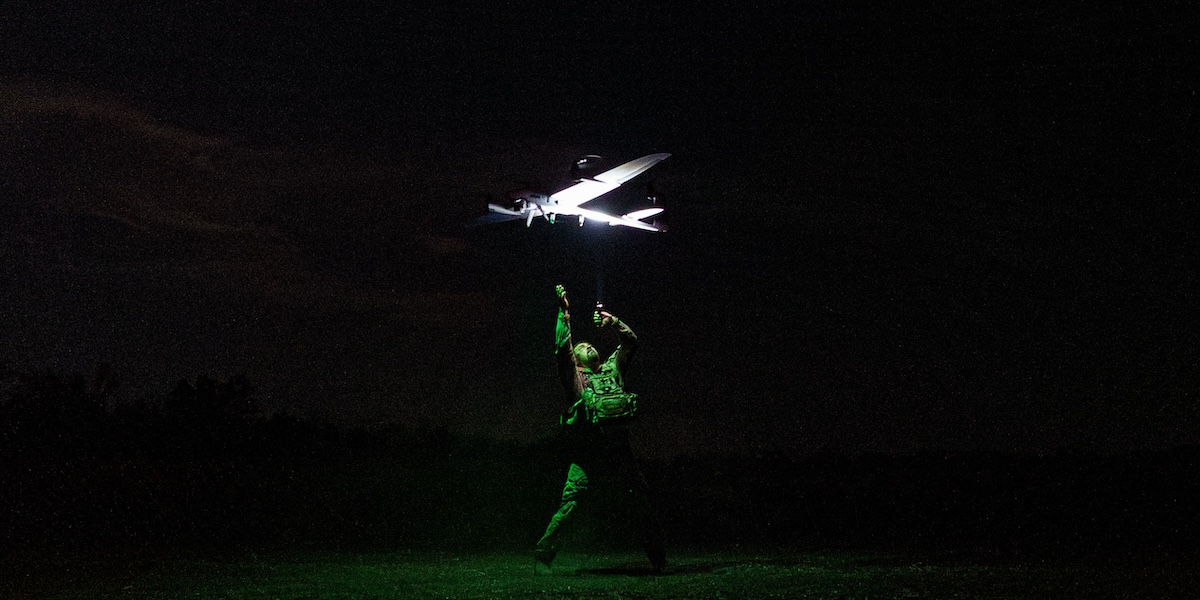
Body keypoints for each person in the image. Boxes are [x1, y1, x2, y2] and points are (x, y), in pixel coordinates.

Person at [533, 284, 667, 575]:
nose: (588, 346)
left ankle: (658, 560)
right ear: (578, 360)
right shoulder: (576, 380)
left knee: (639, 502)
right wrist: (564, 314)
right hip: (588, 454)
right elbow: (562, 349)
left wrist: (614, 322)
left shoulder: (611, 369)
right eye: (582, 348)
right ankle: (543, 556)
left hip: (619, 452)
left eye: (590, 345)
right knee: (570, 506)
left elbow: (632, 342)